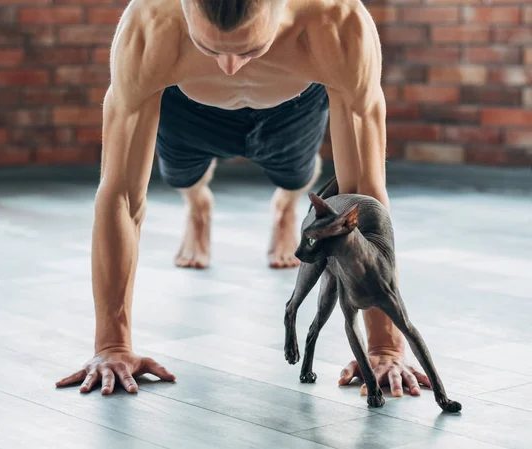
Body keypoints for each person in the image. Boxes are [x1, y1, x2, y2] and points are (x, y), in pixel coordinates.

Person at [55, 0, 432, 398]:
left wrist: (384, 347)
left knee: (296, 178)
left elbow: (364, 199)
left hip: (291, 108)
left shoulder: (335, 22)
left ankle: (287, 206)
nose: (230, 67)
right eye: (209, 48)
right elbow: (120, 195)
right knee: (183, 177)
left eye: (250, 50)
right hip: (188, 109)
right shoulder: (152, 23)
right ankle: (198, 205)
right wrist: (112, 346)